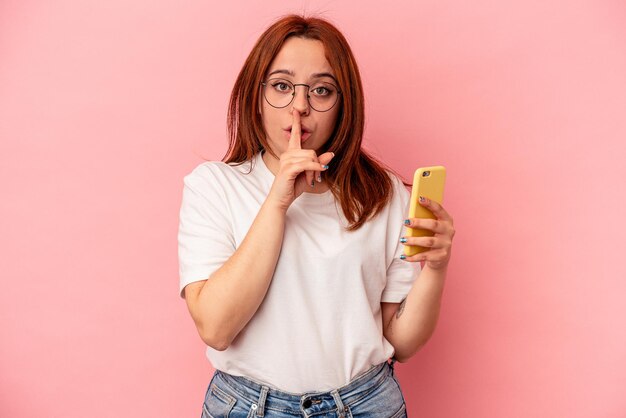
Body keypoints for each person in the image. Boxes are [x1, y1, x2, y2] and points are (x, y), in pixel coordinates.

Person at [177, 14, 455, 418]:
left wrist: (436, 267)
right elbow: (217, 328)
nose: (300, 106)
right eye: (282, 86)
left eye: (322, 90)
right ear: (255, 95)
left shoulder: (383, 194)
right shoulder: (215, 186)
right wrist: (278, 201)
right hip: (248, 407)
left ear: (344, 105)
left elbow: (402, 341)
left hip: (365, 404)